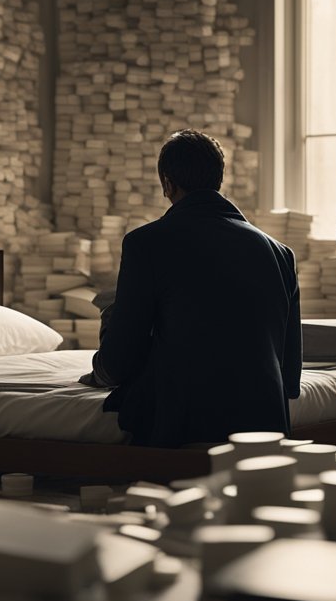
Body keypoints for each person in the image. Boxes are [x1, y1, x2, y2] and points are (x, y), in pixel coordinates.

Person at [79, 129, 301, 447]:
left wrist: (99, 372)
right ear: (218, 180)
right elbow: (290, 380)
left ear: (167, 183)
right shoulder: (281, 253)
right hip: (266, 421)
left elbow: (120, 357)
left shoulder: (147, 243)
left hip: (186, 424)